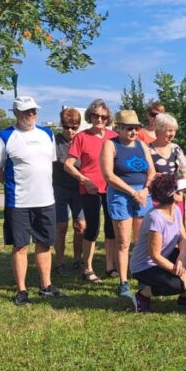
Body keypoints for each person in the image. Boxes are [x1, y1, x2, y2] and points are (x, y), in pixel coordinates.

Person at [0, 96, 63, 305]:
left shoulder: (47, 134)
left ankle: (46, 285)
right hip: (18, 202)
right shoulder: (4, 137)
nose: (30, 115)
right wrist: (11, 184)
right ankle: (21, 290)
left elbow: (48, 163)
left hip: (45, 200)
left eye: (33, 111)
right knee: (20, 246)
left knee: (45, 244)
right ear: (15, 113)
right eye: (25, 111)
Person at [100, 110, 156, 298]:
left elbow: (152, 171)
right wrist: (132, 192)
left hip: (142, 194)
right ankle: (123, 281)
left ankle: (141, 275)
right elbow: (109, 175)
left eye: (136, 128)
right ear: (119, 128)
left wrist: (146, 190)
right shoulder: (111, 145)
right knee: (123, 241)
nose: (133, 132)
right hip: (121, 195)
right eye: (129, 128)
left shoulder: (142, 145)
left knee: (141, 240)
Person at [130, 174, 186, 313]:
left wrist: (182, 255)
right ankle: (142, 295)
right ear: (171, 195)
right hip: (144, 266)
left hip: (164, 258)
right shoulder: (155, 218)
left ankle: (185, 298)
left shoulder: (175, 210)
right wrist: (181, 274)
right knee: (177, 284)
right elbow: (155, 256)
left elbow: (183, 237)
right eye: (179, 191)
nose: (182, 193)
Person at [64, 99, 118, 284]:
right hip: (90, 190)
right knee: (92, 229)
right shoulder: (81, 137)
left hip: (111, 188)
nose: (100, 119)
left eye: (103, 116)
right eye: (96, 116)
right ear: (90, 116)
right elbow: (68, 165)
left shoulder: (114, 136)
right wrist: (85, 180)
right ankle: (88, 268)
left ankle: (110, 266)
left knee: (111, 228)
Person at [52, 107, 86, 275]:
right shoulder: (54, 142)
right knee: (61, 227)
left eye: (74, 127)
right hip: (59, 189)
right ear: (62, 125)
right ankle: (60, 262)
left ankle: (78, 260)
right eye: (67, 127)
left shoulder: (82, 140)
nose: (71, 131)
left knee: (80, 226)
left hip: (79, 189)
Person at [149, 112, 186, 220]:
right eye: (169, 130)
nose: (172, 134)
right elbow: (144, 174)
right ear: (159, 129)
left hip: (175, 196)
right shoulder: (148, 150)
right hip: (155, 197)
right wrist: (154, 176)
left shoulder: (176, 148)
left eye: (174, 130)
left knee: (176, 228)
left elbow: (185, 172)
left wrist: (180, 193)